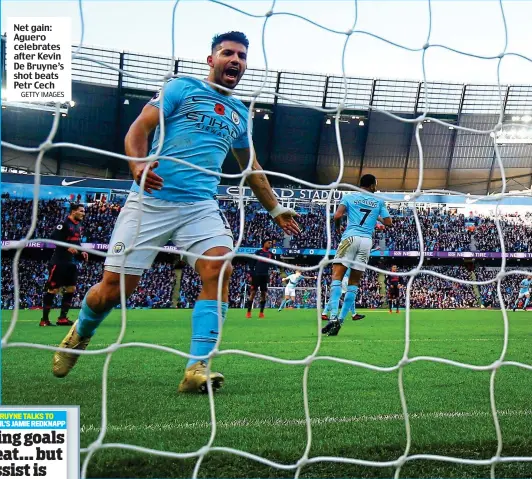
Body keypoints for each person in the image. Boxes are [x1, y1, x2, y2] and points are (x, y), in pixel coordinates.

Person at [52, 31, 300, 393]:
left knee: (220, 266)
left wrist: (275, 208)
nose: (235, 60)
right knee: (115, 290)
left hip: (199, 206)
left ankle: (196, 367)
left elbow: (251, 168)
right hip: (150, 202)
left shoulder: (239, 113)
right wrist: (137, 164)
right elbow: (140, 128)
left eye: (242, 56)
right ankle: (81, 331)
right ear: (210, 60)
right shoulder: (181, 88)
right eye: (227, 53)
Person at [322, 174, 392, 336]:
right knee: (354, 282)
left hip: (350, 237)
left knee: (337, 277)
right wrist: (377, 217)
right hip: (366, 242)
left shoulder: (349, 196)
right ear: (372, 185)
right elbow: (389, 223)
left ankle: (332, 318)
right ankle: (340, 320)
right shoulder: (378, 201)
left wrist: (338, 228)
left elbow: (337, 216)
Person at [40, 204, 88, 327]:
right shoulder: (64, 224)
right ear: (73, 212)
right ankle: (44, 320)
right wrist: (67, 247)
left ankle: (62, 318)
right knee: (53, 290)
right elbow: (54, 238)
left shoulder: (78, 226)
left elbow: (76, 242)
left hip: (71, 263)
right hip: (59, 262)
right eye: (81, 211)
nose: (83, 213)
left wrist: (81, 251)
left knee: (71, 289)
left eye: (84, 211)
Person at [245, 239, 274, 319]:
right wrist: (251, 275)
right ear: (264, 243)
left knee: (263, 294)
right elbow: (252, 264)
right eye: (269, 242)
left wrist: (273, 271)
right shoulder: (258, 252)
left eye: (271, 243)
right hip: (256, 275)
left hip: (265, 276)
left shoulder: (271, 254)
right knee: (253, 293)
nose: (270, 244)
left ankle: (261, 313)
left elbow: (273, 264)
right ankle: (248, 312)